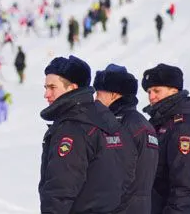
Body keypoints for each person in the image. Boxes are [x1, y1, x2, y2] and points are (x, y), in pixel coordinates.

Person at [39, 55, 136, 214]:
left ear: (72, 88)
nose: (46, 94)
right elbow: (127, 177)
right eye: (45, 88)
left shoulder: (72, 127)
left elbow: (60, 190)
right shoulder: (105, 117)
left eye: (52, 87)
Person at [142, 64, 190, 213]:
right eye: (149, 91)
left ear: (174, 90)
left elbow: (185, 188)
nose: (151, 96)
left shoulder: (184, 128)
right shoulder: (159, 124)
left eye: (157, 90)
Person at [94, 64, 159, 213]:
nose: (95, 99)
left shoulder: (121, 125)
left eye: (98, 94)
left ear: (114, 95)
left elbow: (114, 179)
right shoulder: (141, 123)